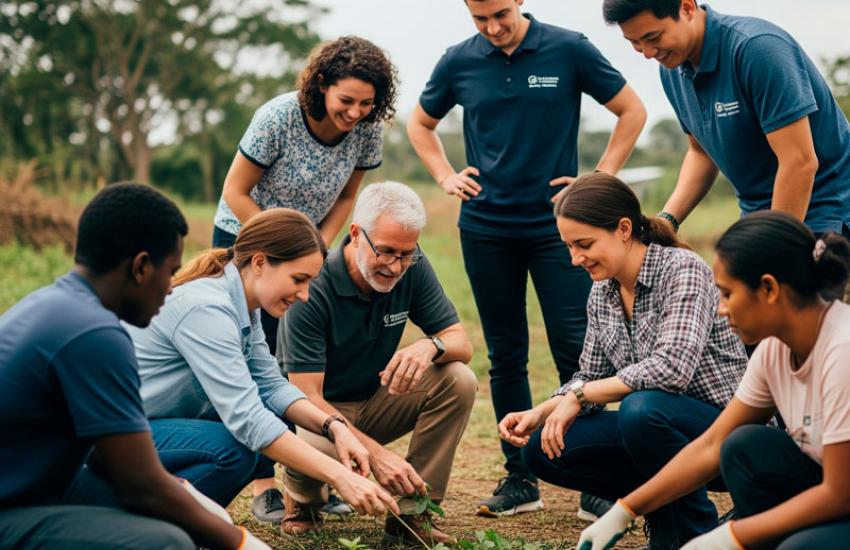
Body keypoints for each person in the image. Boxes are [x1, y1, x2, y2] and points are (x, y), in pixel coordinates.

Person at [407, 0, 647, 517]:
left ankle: (595, 477)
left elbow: (632, 111)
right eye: (479, 19)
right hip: (486, 229)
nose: (492, 28)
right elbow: (420, 124)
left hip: (560, 232)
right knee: (506, 352)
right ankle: (520, 477)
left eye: (500, 14)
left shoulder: (568, 48)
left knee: (579, 348)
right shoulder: (458, 61)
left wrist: (598, 177)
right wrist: (445, 175)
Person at [0, 182, 268, 549]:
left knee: (185, 516)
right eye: (170, 271)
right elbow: (142, 488)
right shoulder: (94, 335)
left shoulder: (56, 304)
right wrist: (241, 542)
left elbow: (104, 454)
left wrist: (188, 498)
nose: (172, 287)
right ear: (141, 267)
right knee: (167, 541)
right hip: (11, 506)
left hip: (33, 483)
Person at [498, 173, 748, 549]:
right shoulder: (602, 291)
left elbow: (671, 368)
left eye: (584, 244)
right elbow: (590, 375)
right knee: (541, 447)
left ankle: (690, 534)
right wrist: (543, 411)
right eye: (568, 246)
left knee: (642, 410)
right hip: (660, 432)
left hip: (730, 431)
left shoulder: (683, 269)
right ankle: (667, 518)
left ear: (624, 229)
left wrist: (579, 397)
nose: (574, 259)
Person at [578, 211, 850, 550]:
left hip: (840, 497)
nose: (720, 308)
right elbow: (712, 444)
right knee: (745, 444)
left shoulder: (842, 350)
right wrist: (625, 510)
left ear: (768, 288)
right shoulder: (773, 352)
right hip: (829, 490)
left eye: (726, 293)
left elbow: (839, 494)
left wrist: (732, 536)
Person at [212, 35, 398, 519]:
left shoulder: (367, 129)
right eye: (346, 101)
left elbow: (345, 197)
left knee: (299, 361)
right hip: (248, 239)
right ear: (321, 85)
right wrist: (278, 248)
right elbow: (235, 190)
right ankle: (261, 484)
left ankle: (314, 476)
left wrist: (318, 250)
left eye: (367, 103)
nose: (356, 112)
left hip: (310, 249)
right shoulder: (278, 117)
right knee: (253, 360)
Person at [126, 208, 399, 534]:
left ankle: (178, 527)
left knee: (270, 427)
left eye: (310, 282)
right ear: (259, 263)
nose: (305, 295)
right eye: (299, 279)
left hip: (156, 428)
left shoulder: (244, 307)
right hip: (116, 436)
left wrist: (334, 426)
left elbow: (270, 386)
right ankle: (145, 529)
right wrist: (339, 475)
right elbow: (247, 418)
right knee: (235, 449)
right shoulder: (207, 309)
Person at [602, 0, 850, 294]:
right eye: (634, 43)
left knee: (812, 331)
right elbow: (700, 152)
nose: (647, 53)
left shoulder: (757, 49)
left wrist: (771, 249)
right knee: (753, 332)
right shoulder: (672, 68)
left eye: (653, 38)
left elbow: (799, 162)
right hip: (760, 219)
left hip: (825, 211)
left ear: (686, 7)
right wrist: (667, 221)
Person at [278, 182, 477, 545]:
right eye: (385, 251)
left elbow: (461, 343)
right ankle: (302, 497)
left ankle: (414, 515)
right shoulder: (314, 284)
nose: (395, 265)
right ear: (355, 234)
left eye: (406, 253)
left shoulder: (413, 266)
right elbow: (303, 395)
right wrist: (378, 456)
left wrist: (430, 346)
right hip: (315, 415)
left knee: (458, 379)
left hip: (374, 401)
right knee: (303, 440)